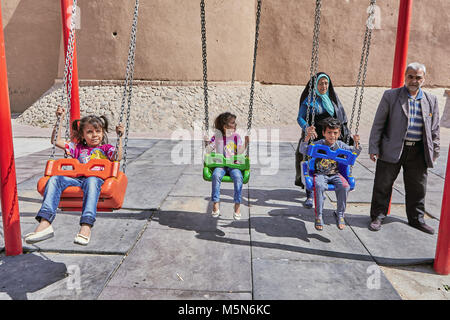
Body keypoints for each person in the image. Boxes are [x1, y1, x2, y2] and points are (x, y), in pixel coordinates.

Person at [24, 106, 125, 245]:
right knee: (54, 179)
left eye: (98, 131)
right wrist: (59, 119)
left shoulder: (106, 149)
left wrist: (120, 138)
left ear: (102, 133)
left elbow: (117, 157)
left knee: (91, 180)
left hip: (96, 182)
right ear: (82, 135)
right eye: (89, 132)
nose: (94, 135)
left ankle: (86, 226)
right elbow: (55, 141)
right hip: (77, 180)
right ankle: (45, 223)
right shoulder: (77, 148)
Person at [368, 62, 440, 234]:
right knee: (383, 184)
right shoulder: (391, 96)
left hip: (418, 151)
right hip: (392, 148)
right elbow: (378, 123)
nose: (414, 80)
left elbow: (434, 128)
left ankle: (416, 219)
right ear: (405, 77)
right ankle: (378, 216)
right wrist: (374, 147)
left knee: (417, 187)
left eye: (418, 77)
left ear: (424, 79)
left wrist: (435, 151)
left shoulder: (431, 100)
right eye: (411, 76)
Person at [295, 72, 353, 209]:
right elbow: (300, 117)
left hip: (329, 136)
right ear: (315, 85)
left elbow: (340, 118)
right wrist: (307, 128)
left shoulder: (332, 100)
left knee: (329, 163)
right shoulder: (309, 100)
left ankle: (325, 185)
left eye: (326, 83)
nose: (324, 86)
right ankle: (309, 194)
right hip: (314, 135)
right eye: (320, 83)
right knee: (310, 162)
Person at [300, 117, 361, 230]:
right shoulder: (319, 143)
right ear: (323, 133)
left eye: (335, 133)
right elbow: (303, 150)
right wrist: (307, 137)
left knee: (345, 186)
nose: (332, 135)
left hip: (335, 173)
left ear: (339, 133)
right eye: (329, 132)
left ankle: (340, 214)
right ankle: (319, 215)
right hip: (320, 174)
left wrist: (357, 143)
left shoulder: (341, 145)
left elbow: (354, 153)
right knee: (319, 186)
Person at [205, 112, 249, 220]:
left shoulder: (236, 137)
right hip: (220, 165)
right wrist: (206, 143)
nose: (235, 125)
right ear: (225, 126)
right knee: (216, 175)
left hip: (234, 165)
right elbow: (208, 150)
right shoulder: (217, 137)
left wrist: (246, 144)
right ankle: (216, 203)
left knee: (238, 177)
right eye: (233, 123)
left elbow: (239, 152)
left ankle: (237, 205)